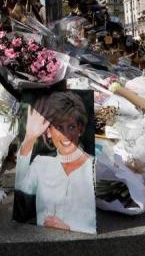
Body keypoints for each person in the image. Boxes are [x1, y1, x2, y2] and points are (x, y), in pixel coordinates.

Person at [15, 91, 96, 234]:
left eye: (71, 126)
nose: (66, 134)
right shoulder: (41, 164)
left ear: (80, 129)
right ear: (48, 132)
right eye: (59, 127)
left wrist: (71, 230)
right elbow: (21, 186)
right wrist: (29, 138)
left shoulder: (94, 167)